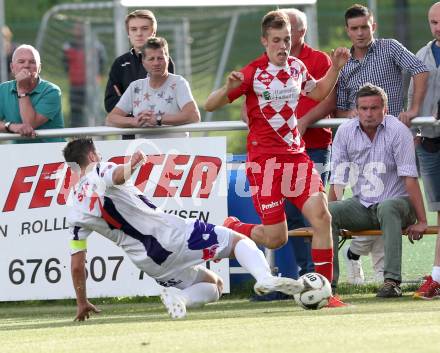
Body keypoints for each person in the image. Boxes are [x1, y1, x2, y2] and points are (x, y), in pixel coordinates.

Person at [63, 137, 304, 320]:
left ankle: (182, 298)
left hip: (151, 262)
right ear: (93, 155)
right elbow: (115, 176)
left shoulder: (74, 208)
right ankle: (265, 278)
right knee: (239, 241)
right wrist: (131, 165)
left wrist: (82, 301)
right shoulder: (98, 169)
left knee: (215, 285)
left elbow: (76, 265)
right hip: (173, 235)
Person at [204, 10, 350, 307]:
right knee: (276, 238)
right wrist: (228, 89)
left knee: (322, 217)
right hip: (264, 163)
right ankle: (235, 225)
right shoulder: (252, 72)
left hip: (297, 158)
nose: (283, 46)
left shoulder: (297, 67)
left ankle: (327, 293)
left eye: (286, 39)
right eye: (276, 40)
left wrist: (334, 68)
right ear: (264, 41)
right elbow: (209, 104)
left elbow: (320, 91)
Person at [335, 3, 429, 284]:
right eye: (355, 28)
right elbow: (339, 108)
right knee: (358, 201)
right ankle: (333, 280)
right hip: (365, 154)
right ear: (348, 31)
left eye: (365, 26)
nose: (361, 33)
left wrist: (412, 109)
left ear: (373, 26)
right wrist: (352, 116)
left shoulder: (389, 47)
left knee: (391, 200)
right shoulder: (344, 64)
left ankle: (389, 279)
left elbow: (420, 69)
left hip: (395, 135)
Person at [329, 83, 427, 298]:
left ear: (386, 109)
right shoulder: (345, 131)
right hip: (363, 205)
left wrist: (421, 220)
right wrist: (326, 214)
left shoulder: (398, 130)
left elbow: (410, 179)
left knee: (388, 206)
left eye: (374, 108)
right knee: (329, 213)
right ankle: (327, 284)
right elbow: (337, 179)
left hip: (399, 204)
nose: (368, 113)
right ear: (356, 110)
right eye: (363, 108)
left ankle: (391, 282)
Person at [281, 8, 336, 277]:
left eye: (288, 29)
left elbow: (329, 98)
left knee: (314, 213)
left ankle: (321, 276)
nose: (282, 35)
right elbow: (250, 100)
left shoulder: (317, 59)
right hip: (280, 151)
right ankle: (306, 273)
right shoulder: (267, 63)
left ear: (302, 32)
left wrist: (302, 122)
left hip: (313, 145)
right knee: (290, 215)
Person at [104, 9, 175, 139]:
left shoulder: (164, 61)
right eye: (134, 29)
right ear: (128, 33)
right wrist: (132, 115)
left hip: (160, 134)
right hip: (129, 135)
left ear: (153, 32)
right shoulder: (119, 63)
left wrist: (128, 103)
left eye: (144, 28)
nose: (139, 34)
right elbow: (110, 104)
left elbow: (162, 99)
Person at [409, 2, 440, 300]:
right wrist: (414, 133)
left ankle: (436, 277)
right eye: (433, 22)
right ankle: (437, 279)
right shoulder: (422, 55)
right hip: (430, 143)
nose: (437, 27)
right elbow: (412, 99)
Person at [106, 37, 199, 132]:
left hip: (174, 146)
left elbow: (193, 116)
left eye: (160, 58)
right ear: (143, 62)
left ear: (168, 59)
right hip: (143, 145)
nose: (156, 63)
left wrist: (159, 119)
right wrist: (133, 121)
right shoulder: (135, 86)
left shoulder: (179, 83)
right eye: (151, 59)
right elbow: (110, 119)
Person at [0, 44, 64, 143]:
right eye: (21, 61)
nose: (26, 65)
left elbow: (29, 125)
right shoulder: (3, 89)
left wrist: (22, 90)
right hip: (20, 154)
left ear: (39, 68)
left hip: (51, 153)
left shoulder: (52, 91)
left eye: (32, 62)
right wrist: (11, 126)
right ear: (12, 67)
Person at [63, 22, 107, 127]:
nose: (79, 31)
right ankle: (76, 137)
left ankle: (99, 135)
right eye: (77, 28)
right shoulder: (68, 46)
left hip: (92, 85)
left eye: (81, 28)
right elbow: (65, 64)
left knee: (95, 110)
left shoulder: (96, 45)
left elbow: (102, 63)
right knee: (76, 112)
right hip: (76, 85)